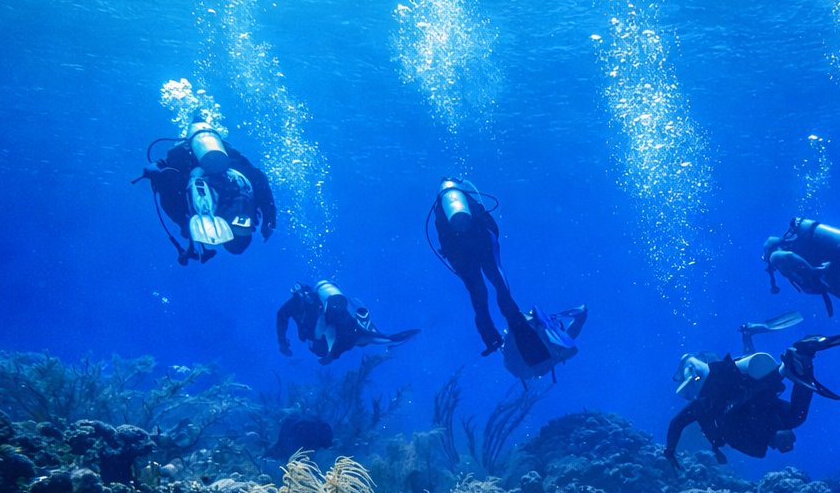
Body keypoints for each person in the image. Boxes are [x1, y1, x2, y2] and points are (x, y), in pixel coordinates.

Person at [666, 317, 840, 468]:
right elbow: (750, 363)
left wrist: (670, 451)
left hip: (755, 402)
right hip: (759, 395)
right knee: (786, 410)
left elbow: (677, 422)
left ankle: (795, 365)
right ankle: (798, 361)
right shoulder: (728, 379)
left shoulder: (705, 402)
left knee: (766, 434)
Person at [429, 178, 551, 366]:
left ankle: (490, 336)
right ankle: (521, 330)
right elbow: (489, 223)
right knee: (499, 284)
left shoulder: (439, 210)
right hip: (483, 244)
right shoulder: (468, 198)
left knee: (478, 294)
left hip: (461, 255)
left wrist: (458, 263)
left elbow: (444, 242)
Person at [134, 117, 276, 265]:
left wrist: (269, 218)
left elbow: (259, 180)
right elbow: (258, 179)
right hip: (191, 163)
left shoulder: (244, 202)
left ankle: (195, 133)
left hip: (190, 161)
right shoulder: (237, 201)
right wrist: (269, 217)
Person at [276, 280, 419, 365]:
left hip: (335, 332)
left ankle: (386, 338)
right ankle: (385, 338)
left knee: (357, 335)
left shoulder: (306, 304)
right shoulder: (312, 304)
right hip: (336, 331)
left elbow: (282, 316)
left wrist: (282, 342)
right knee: (363, 335)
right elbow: (282, 315)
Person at [501, 305, 588, 383]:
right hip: (538, 344)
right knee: (559, 347)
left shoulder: (530, 366)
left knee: (559, 347)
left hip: (538, 344)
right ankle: (579, 317)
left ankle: (579, 317)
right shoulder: (536, 367)